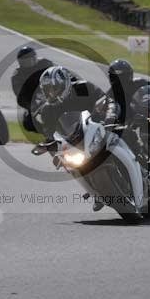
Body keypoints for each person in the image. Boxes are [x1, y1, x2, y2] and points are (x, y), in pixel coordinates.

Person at [37, 66, 117, 212]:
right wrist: (55, 153)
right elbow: (50, 136)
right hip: (76, 140)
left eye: (54, 88)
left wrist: (109, 116)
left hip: (102, 127)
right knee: (69, 164)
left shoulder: (84, 88)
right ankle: (94, 192)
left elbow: (107, 101)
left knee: (124, 132)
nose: (51, 93)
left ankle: (141, 156)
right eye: (47, 90)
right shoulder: (47, 110)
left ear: (65, 84)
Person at [11, 46, 54, 132]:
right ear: (20, 62)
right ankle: (47, 133)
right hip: (35, 101)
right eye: (26, 60)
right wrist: (32, 106)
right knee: (28, 122)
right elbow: (20, 95)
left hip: (54, 93)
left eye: (32, 59)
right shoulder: (17, 76)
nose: (30, 62)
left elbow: (59, 72)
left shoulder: (45, 63)